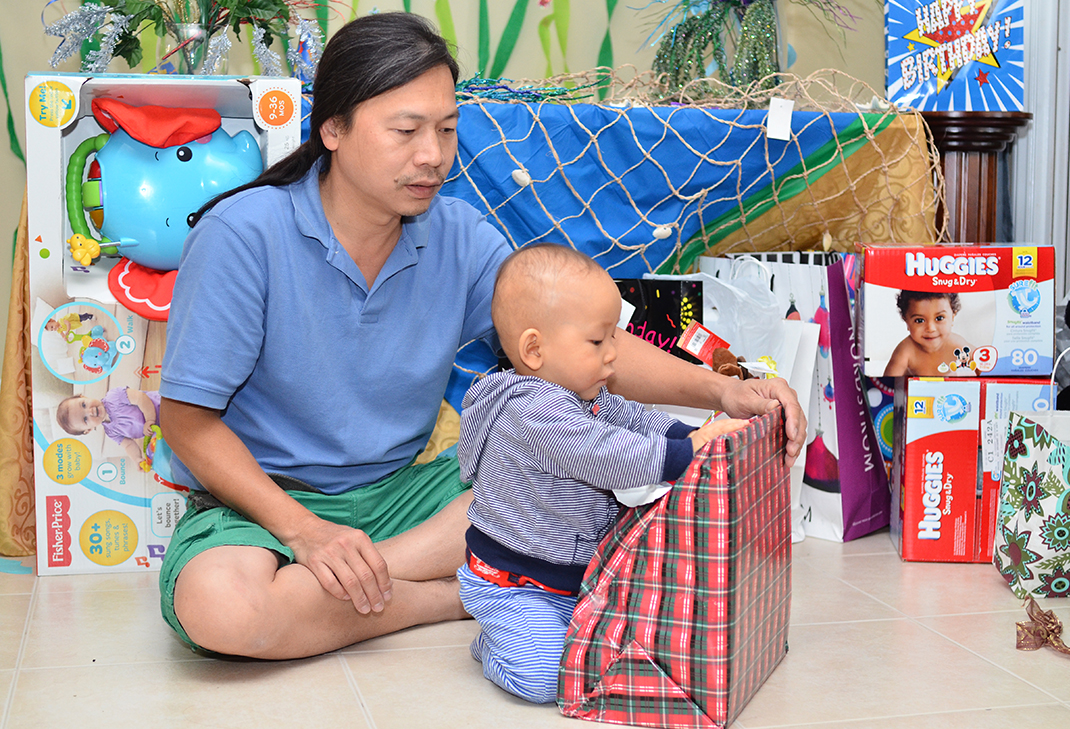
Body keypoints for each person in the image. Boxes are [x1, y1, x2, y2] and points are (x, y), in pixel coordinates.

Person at [157, 11, 806, 661]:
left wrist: (724, 391)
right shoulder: (243, 235)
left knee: (572, 488)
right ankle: (452, 594)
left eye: (446, 129)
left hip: (409, 498)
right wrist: (305, 533)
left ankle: (348, 585)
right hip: (266, 506)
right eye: (406, 130)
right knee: (222, 604)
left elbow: (581, 344)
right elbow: (188, 422)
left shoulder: (459, 234)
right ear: (332, 127)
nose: (433, 155)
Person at [457, 244, 748, 702]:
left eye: (614, 336)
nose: (613, 354)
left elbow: (633, 419)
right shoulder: (533, 413)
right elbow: (606, 452)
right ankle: (493, 646)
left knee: (633, 644)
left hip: (577, 575)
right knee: (546, 678)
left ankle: (541, 634)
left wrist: (691, 432)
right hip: (514, 584)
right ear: (534, 349)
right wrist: (687, 451)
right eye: (598, 341)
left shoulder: (582, 393)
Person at [56, 388, 160, 464]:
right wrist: (137, 459)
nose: (90, 411)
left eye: (84, 405)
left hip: (162, 405)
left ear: (83, 397)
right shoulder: (111, 432)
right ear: (88, 429)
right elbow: (128, 445)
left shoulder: (114, 397)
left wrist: (150, 419)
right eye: (85, 419)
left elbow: (140, 398)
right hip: (159, 430)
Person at [883, 290, 974, 377]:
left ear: (952, 317)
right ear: (906, 321)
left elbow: (984, 364)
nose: (931, 329)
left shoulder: (959, 346)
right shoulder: (906, 351)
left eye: (939, 318)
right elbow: (888, 382)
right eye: (919, 320)